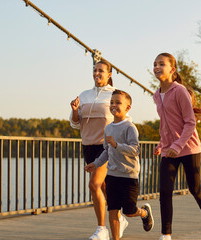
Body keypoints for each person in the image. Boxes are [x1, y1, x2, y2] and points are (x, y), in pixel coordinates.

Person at [153, 53, 201, 240]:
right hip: (169, 149)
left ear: (172, 69)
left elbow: (190, 123)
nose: (156, 67)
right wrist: (161, 144)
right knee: (164, 191)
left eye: (161, 64)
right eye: (154, 64)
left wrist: (178, 145)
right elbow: (165, 124)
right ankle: (166, 234)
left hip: (189, 147)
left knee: (194, 188)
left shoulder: (179, 91)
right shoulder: (156, 95)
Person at [70, 60, 128, 240]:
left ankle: (101, 229)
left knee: (93, 184)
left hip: (106, 147)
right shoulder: (84, 95)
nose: (97, 73)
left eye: (101, 71)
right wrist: (74, 110)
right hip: (88, 146)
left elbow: (126, 120)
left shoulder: (115, 95)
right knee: (103, 187)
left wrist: (120, 143)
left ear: (109, 74)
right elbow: (74, 124)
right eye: (94, 70)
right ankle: (120, 217)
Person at [85, 90, 154, 240]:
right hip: (112, 175)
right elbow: (106, 151)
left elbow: (135, 150)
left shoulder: (130, 127)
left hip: (129, 176)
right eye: (112, 102)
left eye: (118, 103)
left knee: (129, 211)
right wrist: (95, 164)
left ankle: (144, 212)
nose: (113, 105)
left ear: (128, 108)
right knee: (113, 210)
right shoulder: (108, 128)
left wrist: (117, 145)